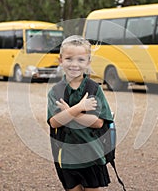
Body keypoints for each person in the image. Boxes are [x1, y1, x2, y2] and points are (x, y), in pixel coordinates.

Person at [47, 35, 113, 191]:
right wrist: (80, 107)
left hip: (92, 154)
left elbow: (97, 122)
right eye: (69, 59)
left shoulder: (93, 89)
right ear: (60, 60)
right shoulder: (55, 91)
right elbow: (55, 122)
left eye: (80, 60)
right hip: (67, 156)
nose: (74, 64)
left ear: (88, 62)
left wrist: (67, 113)